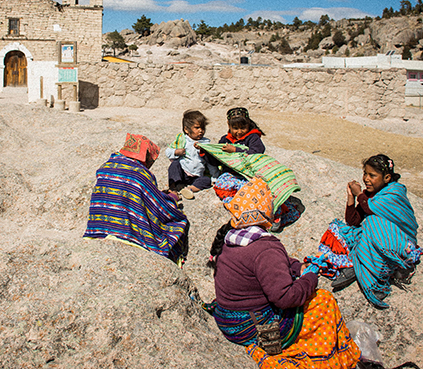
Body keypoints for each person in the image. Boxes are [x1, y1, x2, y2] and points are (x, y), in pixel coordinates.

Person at [203, 177, 360, 369]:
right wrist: (310, 276)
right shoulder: (266, 248)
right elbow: (286, 298)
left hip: (229, 321)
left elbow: (264, 266)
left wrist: (296, 267)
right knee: (323, 301)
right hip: (253, 328)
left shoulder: (232, 238)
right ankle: (329, 355)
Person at [320, 154, 422, 308]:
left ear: (387, 177)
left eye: (372, 175)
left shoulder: (394, 192)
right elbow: (353, 221)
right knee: (341, 229)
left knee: (372, 222)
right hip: (377, 237)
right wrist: (351, 198)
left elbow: (370, 208)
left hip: (398, 240)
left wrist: (359, 195)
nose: (366, 179)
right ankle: (359, 264)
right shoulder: (368, 195)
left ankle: (373, 278)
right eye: (365, 174)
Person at [83, 133, 189, 264]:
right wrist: (171, 198)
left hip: (97, 228)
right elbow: (156, 206)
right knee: (178, 222)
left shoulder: (106, 166)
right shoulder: (141, 174)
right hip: (128, 234)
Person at [166, 110, 211, 200]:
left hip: (197, 175)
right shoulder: (182, 140)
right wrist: (176, 152)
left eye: (202, 128)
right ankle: (173, 188)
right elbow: (168, 152)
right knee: (174, 165)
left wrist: (214, 176)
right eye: (197, 128)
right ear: (186, 129)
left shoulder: (206, 143)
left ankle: (189, 189)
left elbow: (210, 161)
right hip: (183, 172)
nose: (201, 131)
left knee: (207, 180)